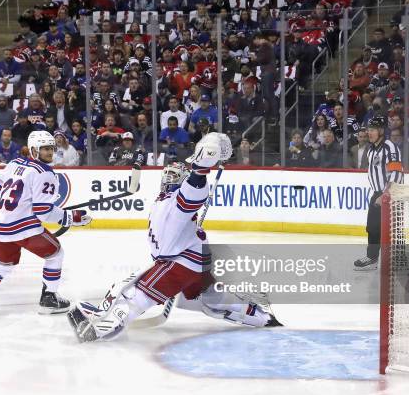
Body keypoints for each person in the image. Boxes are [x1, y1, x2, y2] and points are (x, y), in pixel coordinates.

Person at [67, 134, 280, 342]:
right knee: (211, 298)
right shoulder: (166, 200)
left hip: (181, 263)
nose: (168, 179)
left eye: (173, 176)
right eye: (166, 175)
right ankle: (262, 317)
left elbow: (193, 192)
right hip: (193, 260)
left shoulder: (179, 199)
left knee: (136, 295)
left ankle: (102, 329)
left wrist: (200, 167)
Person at [0, 131, 92, 314]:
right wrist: (70, 217)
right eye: (44, 149)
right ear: (34, 150)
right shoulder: (45, 173)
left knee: (3, 264)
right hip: (24, 227)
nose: (49, 152)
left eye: (51, 148)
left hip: (2, 227)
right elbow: (43, 212)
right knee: (55, 254)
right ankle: (49, 298)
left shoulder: (14, 163)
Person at [354, 117, 404, 271]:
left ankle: (397, 260)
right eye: (368, 129)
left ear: (381, 131)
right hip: (377, 193)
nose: (369, 132)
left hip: (390, 194)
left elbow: (396, 173)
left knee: (392, 229)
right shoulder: (371, 149)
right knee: (372, 227)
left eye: (373, 129)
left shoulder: (390, 148)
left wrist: (386, 194)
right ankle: (372, 258)